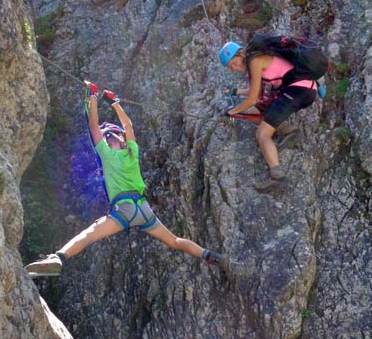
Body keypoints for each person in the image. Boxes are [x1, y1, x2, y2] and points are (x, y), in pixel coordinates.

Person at [24, 82, 228, 277]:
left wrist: (92, 96)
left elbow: (93, 126)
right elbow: (127, 125)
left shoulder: (105, 154)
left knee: (90, 235)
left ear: (106, 139)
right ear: (120, 138)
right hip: (143, 209)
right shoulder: (131, 152)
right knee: (174, 240)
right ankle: (209, 255)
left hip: (124, 210)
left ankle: (57, 257)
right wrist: (115, 103)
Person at [219, 40, 318, 192]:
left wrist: (232, 112)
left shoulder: (255, 61)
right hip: (302, 90)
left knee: (262, 134)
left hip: (297, 90)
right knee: (253, 111)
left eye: (233, 63)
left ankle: (278, 178)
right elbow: (256, 92)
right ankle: (287, 130)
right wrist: (235, 92)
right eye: (229, 67)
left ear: (240, 54)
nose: (233, 68)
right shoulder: (256, 60)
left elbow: (252, 98)